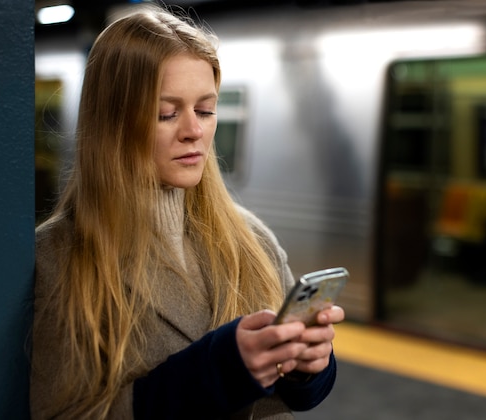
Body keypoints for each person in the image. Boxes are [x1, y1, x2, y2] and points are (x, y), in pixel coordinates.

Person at [30, 5, 345, 419]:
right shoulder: (57, 257)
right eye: (166, 113)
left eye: (206, 110)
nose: (194, 131)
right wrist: (216, 371)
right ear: (113, 120)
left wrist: (307, 368)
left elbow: (283, 397)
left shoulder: (253, 240)